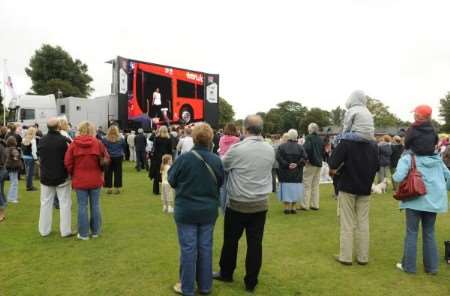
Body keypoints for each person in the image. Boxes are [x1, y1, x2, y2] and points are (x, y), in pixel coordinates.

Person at [214, 115, 275, 293]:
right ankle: (251, 281)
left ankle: (226, 272)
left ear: (245, 128)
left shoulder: (237, 149)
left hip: (238, 203)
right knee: (255, 243)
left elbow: (222, 165)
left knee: (231, 241)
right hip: (260, 203)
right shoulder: (269, 149)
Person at [169, 123, 224, 296]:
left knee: (188, 248)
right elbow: (220, 182)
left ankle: (187, 287)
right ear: (210, 139)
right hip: (207, 211)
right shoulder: (216, 160)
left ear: (194, 138)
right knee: (205, 247)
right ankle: (205, 286)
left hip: (187, 211)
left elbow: (171, 179)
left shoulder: (184, 158)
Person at [393, 151, 450, 274]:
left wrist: (402, 163)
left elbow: (397, 177)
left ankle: (409, 267)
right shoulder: (437, 159)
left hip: (414, 199)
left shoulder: (408, 157)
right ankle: (432, 268)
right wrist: (443, 188)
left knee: (411, 233)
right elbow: (448, 175)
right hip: (433, 201)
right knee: (429, 232)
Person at [328, 134, 379, 265]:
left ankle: (345, 256)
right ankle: (363, 257)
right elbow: (376, 166)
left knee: (347, 222)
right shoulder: (372, 145)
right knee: (363, 222)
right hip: (365, 187)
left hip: (348, 187)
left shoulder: (346, 143)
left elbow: (332, 163)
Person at [64, 121, 110, 240]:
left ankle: (83, 233)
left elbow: (68, 162)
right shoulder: (98, 143)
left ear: (80, 130)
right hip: (95, 178)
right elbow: (106, 158)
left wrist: (73, 172)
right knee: (95, 205)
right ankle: (95, 232)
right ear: (92, 130)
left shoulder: (74, 144)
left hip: (80, 179)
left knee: (82, 206)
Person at [38, 118, 73, 237]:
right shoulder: (65, 140)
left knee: (45, 203)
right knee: (65, 203)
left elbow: (40, 157)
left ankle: (44, 230)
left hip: (46, 176)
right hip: (62, 176)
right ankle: (65, 231)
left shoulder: (41, 140)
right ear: (59, 126)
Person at [276, 129, 307, 214]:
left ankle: (287, 207)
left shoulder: (282, 147)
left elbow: (278, 157)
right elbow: (304, 158)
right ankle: (293, 207)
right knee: (295, 189)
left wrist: (287, 164)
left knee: (286, 189)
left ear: (288, 136)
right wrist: (297, 164)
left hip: (285, 173)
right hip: (297, 173)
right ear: (296, 136)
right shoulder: (300, 147)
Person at [300, 123, 324, 211]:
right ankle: (315, 204)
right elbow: (323, 151)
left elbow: (306, 149)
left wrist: (306, 159)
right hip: (319, 163)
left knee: (306, 184)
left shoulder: (309, 137)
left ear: (310, 130)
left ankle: (304, 205)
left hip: (311, 163)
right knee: (315, 185)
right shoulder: (320, 139)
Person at [102, 126, 125, 195]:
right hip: (118, 156)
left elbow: (103, 148)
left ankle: (109, 188)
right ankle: (117, 188)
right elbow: (124, 146)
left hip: (109, 157)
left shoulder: (105, 139)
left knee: (108, 173)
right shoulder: (121, 139)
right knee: (118, 172)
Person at [149, 126, 172, 195]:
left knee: (157, 174)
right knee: (165, 174)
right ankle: (165, 191)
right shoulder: (168, 139)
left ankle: (155, 190)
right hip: (165, 158)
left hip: (157, 158)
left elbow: (154, 148)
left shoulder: (156, 138)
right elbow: (170, 151)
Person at [21, 127, 38, 191]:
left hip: (25, 157)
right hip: (30, 158)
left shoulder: (24, 139)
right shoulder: (33, 140)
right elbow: (34, 151)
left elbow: (22, 149)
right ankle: (30, 187)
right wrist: (36, 159)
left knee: (27, 173)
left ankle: (29, 186)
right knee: (30, 173)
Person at [5, 137, 21, 203]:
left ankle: (12, 196)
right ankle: (11, 198)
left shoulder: (6, 149)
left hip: (9, 167)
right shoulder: (13, 149)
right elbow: (16, 156)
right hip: (13, 168)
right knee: (14, 183)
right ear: (14, 142)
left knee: (14, 182)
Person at [0, 141, 8, 222]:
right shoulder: (2, 146)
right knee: (1, 191)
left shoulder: (1, 147)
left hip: (1, 170)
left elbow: (3, 161)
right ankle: (3, 205)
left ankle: (1, 212)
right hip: (2, 170)